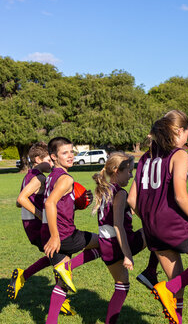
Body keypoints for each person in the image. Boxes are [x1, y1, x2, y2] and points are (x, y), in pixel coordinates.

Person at [127, 110, 188, 324]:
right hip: (173, 225)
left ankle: (172, 303)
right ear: (180, 131)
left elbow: (132, 200)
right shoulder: (179, 154)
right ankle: (167, 288)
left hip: (152, 228)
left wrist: (150, 220)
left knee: (178, 286)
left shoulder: (145, 158)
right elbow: (180, 196)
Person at [7, 142, 75, 315]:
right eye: (48, 160)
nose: (51, 164)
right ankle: (25, 276)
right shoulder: (40, 177)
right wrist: (40, 214)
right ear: (38, 159)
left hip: (32, 228)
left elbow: (17, 201)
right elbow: (21, 200)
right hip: (38, 227)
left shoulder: (29, 176)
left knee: (57, 257)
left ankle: (62, 301)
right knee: (61, 257)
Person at [92, 152, 159, 323]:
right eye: (128, 171)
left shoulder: (105, 189)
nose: (130, 175)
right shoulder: (120, 193)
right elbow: (118, 225)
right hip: (121, 244)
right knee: (157, 231)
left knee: (122, 286)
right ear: (116, 170)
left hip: (105, 245)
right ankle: (151, 272)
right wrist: (127, 255)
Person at [42, 137, 101, 324]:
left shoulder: (51, 176)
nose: (70, 156)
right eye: (64, 153)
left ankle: (51, 321)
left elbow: (58, 204)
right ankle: (66, 267)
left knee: (62, 284)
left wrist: (78, 202)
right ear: (54, 157)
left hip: (53, 234)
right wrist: (55, 236)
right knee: (106, 243)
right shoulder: (66, 178)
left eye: (71, 151)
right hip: (64, 235)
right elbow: (50, 203)